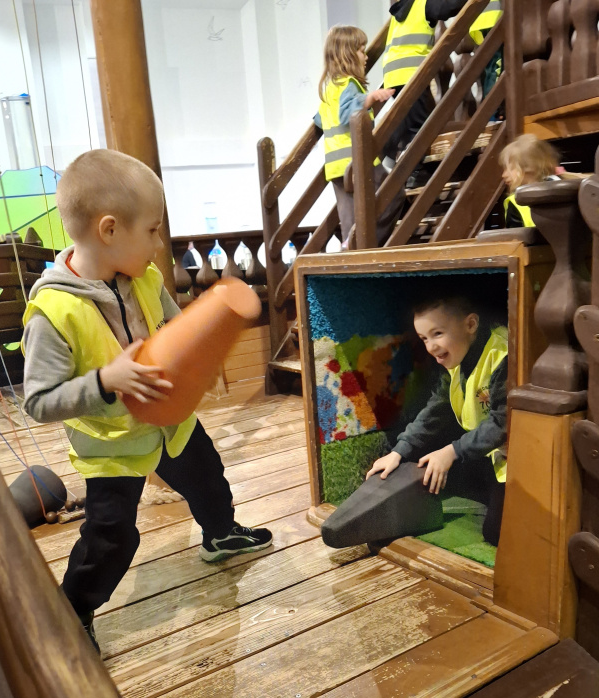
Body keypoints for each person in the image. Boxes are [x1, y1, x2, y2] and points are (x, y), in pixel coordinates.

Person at [20, 149, 273, 650]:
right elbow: (39, 401)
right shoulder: (52, 313)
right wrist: (105, 380)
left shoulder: (147, 279)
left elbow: (177, 328)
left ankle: (220, 534)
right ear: (109, 230)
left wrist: (203, 355)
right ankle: (73, 610)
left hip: (171, 423)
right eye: (153, 230)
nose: (160, 244)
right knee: (111, 536)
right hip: (113, 445)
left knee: (208, 477)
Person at [365, 293, 509, 545]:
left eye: (438, 334)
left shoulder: (503, 356)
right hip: (484, 453)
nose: (430, 347)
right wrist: (399, 452)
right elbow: (436, 409)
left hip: (516, 458)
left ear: (471, 324)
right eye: (424, 338)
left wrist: (451, 452)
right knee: (439, 476)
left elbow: (503, 424)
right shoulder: (458, 357)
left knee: (497, 533)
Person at [315, 25, 406, 248]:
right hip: (358, 162)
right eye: (362, 51)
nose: (366, 57)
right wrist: (370, 98)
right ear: (347, 54)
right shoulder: (349, 85)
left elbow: (320, 120)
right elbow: (348, 112)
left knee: (350, 218)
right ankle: (367, 242)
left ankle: (351, 248)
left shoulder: (330, 89)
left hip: (336, 167)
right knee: (394, 195)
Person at [381, 1, 475, 175]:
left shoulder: (401, 9)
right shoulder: (422, 4)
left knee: (408, 120)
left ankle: (392, 148)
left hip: (393, 74)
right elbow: (448, 7)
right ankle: (412, 168)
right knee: (418, 126)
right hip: (411, 73)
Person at [500, 134, 561, 228]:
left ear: (529, 167)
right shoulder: (563, 190)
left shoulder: (516, 202)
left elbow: (514, 236)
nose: (504, 175)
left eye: (510, 168)